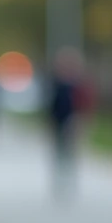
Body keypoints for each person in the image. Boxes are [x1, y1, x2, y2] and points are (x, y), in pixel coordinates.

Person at [47, 47, 92, 200]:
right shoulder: (56, 82)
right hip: (58, 123)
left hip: (73, 122)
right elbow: (51, 105)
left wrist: (82, 121)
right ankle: (60, 181)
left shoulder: (78, 84)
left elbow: (85, 104)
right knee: (59, 153)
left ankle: (70, 180)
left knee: (71, 153)